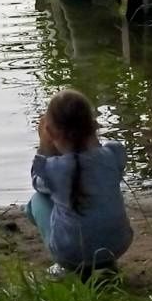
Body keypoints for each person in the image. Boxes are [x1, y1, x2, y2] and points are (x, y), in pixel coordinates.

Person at [25, 89, 133, 276]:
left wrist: (44, 146)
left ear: (49, 132)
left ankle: (65, 265)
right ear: (93, 126)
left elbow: (37, 182)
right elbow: (99, 164)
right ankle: (107, 264)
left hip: (70, 254)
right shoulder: (113, 154)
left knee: (36, 201)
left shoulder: (53, 169)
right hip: (117, 245)